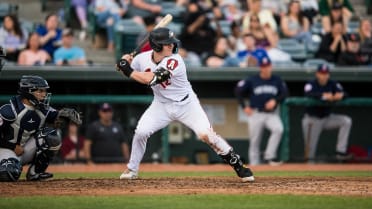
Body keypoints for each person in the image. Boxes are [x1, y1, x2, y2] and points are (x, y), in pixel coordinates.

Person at [116, 27, 254, 182]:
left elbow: (151, 79)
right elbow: (124, 69)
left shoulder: (175, 60)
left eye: (171, 43)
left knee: (206, 135)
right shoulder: (141, 58)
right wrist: (124, 62)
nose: (171, 46)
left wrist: (127, 69)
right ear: (156, 46)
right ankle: (132, 169)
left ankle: (238, 165)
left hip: (186, 104)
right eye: (167, 44)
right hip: (161, 105)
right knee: (141, 132)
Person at [0, 74, 82, 182]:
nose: (44, 94)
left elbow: (57, 117)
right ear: (28, 92)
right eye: (40, 91)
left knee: (51, 136)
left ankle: (35, 173)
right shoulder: (9, 110)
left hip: (24, 150)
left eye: (44, 91)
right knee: (9, 174)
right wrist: (12, 146)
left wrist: (67, 115)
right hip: (6, 150)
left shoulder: (43, 109)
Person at [234, 56, 288, 166]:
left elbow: (285, 93)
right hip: (256, 113)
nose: (266, 69)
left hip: (271, 114)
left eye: (267, 66)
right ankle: (255, 164)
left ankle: (269, 157)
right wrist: (244, 107)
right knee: (255, 141)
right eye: (264, 67)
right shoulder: (252, 79)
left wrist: (275, 100)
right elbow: (238, 91)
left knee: (279, 129)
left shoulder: (276, 80)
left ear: (271, 66)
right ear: (260, 68)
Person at [302, 64, 353, 162]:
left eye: (326, 73)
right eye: (322, 73)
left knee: (346, 121)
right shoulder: (311, 84)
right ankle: (308, 173)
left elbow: (345, 93)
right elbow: (308, 94)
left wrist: (340, 95)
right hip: (312, 120)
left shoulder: (332, 83)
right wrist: (323, 96)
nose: (324, 76)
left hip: (327, 118)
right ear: (317, 74)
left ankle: (340, 152)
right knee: (309, 155)